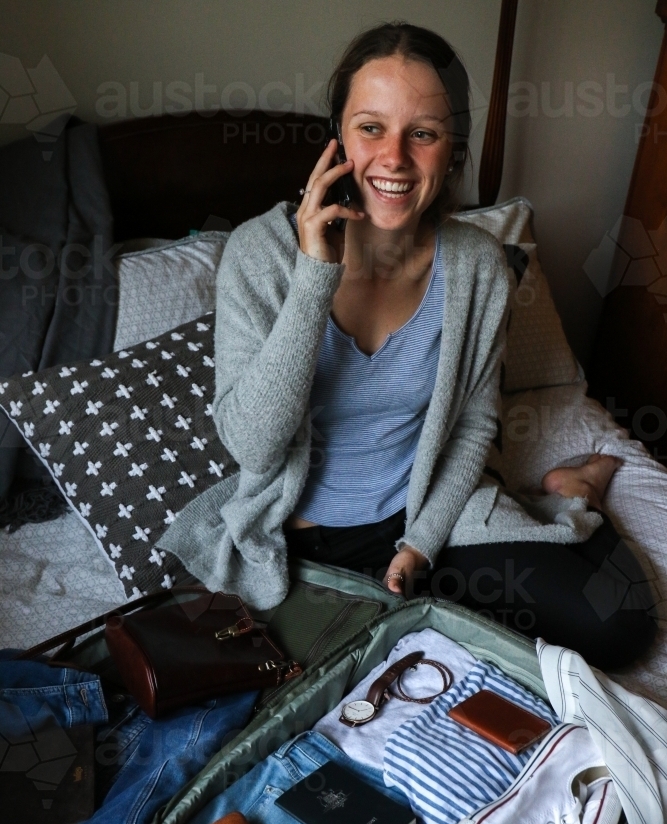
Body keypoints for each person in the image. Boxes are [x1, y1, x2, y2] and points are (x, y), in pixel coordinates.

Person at [162, 22, 656, 671]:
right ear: (337, 136)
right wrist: (314, 279)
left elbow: (474, 422)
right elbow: (254, 444)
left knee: (617, 625)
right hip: (300, 544)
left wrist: (420, 545)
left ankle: (575, 492)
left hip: (429, 521)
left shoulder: (477, 265)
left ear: (450, 149)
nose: (392, 158)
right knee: (270, 682)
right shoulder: (260, 254)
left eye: (421, 133)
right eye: (370, 128)